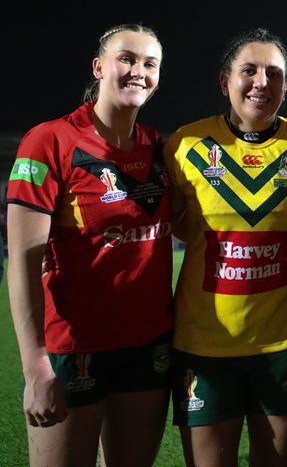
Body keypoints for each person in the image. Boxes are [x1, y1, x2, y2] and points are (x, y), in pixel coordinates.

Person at [163, 27, 287, 467]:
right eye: (249, 71)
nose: (262, 82)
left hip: (283, 342)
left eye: (274, 73)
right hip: (204, 343)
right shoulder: (185, 145)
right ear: (224, 81)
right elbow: (175, 226)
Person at [6, 24, 173, 467]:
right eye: (126, 59)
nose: (138, 71)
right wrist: (35, 367)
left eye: (150, 64)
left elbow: (195, 226)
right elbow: (22, 263)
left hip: (149, 345)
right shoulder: (49, 141)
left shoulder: (160, 147)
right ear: (99, 67)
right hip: (72, 348)